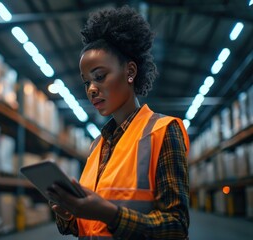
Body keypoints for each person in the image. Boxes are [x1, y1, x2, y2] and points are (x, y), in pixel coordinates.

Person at [47, 5, 190, 240]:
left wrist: (111, 215)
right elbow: (86, 227)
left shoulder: (163, 131)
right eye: (86, 83)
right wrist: (68, 214)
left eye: (100, 76)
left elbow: (176, 226)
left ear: (130, 71)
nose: (92, 89)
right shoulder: (97, 146)